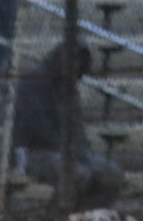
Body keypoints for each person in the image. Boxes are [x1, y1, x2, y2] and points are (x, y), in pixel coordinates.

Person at [14, 42, 124, 208]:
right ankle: (56, 218)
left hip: (65, 151)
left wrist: (82, 151)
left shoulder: (69, 87)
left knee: (111, 174)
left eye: (80, 62)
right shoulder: (33, 79)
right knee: (77, 174)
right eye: (73, 60)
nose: (76, 66)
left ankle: (87, 215)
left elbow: (77, 127)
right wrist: (67, 150)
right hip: (31, 151)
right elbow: (35, 125)